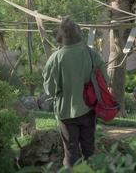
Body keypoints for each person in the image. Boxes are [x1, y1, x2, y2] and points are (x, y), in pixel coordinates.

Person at [42, 18, 108, 168]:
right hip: (88, 110)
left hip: (65, 113)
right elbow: (105, 81)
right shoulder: (92, 55)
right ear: (79, 35)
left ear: (61, 36)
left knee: (71, 153)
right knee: (89, 151)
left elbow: (49, 90)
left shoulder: (55, 59)